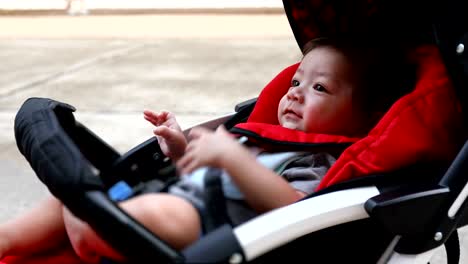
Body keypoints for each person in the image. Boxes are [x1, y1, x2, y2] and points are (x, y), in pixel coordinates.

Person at [0, 38, 414, 263]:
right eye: (295, 83)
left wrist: (231, 157)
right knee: (68, 193)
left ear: (361, 119)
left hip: (214, 228)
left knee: (159, 212)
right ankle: (11, 238)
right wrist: (181, 150)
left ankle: (92, 222)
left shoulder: (320, 161)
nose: (296, 95)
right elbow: (200, 178)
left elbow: (293, 208)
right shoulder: (266, 136)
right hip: (181, 204)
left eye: (319, 88)